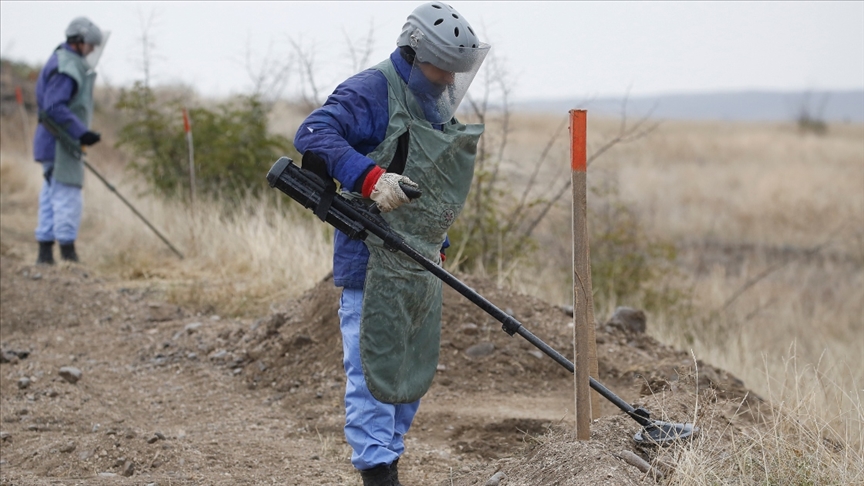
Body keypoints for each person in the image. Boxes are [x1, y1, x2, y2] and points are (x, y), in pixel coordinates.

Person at [293, 3, 489, 485]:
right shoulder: (371, 89)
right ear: (414, 52)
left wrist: (435, 242)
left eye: (454, 71)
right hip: (371, 259)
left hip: (419, 262)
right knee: (372, 376)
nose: (448, 80)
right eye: (442, 68)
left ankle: (390, 463)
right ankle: (377, 474)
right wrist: (369, 176)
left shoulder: (433, 98)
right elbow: (313, 133)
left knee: (408, 376)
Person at [33, 16, 106, 265]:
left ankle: (45, 254)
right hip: (59, 143)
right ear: (79, 42)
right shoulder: (68, 66)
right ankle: (67, 254)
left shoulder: (64, 60)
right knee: (67, 195)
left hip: (55, 142)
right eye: (91, 45)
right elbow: (54, 106)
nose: (93, 50)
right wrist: (80, 132)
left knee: (52, 193)